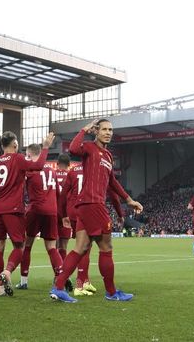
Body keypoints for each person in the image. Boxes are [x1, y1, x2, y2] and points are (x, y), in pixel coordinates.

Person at [50, 119, 143, 303]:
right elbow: (73, 149)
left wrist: (129, 200)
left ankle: (58, 287)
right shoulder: (89, 148)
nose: (108, 132)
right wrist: (84, 129)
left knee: (80, 247)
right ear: (96, 132)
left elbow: (113, 182)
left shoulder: (108, 156)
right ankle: (111, 292)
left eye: (110, 130)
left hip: (87, 206)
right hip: (93, 204)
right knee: (106, 247)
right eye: (104, 129)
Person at [0, 131, 55, 296]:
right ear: (15, 144)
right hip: (13, 209)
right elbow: (38, 166)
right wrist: (45, 147)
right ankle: (8, 272)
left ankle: (0, 287)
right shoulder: (17, 158)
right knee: (20, 245)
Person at [59, 163, 125, 296]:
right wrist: (119, 213)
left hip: (73, 209)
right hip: (90, 208)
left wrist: (63, 214)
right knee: (86, 248)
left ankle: (81, 281)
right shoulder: (99, 168)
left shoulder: (72, 171)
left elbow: (63, 194)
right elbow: (113, 194)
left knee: (82, 246)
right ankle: (80, 284)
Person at [16, 144, 64, 290]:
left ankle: (24, 281)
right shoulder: (52, 171)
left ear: (30, 155)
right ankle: (61, 277)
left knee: (27, 246)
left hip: (35, 209)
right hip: (52, 211)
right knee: (51, 247)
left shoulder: (30, 170)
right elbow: (58, 195)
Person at [54, 154, 71, 261]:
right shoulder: (71, 176)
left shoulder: (52, 174)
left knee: (53, 246)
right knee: (64, 246)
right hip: (66, 213)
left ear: (57, 164)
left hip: (53, 211)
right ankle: (64, 273)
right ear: (69, 165)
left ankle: (57, 272)